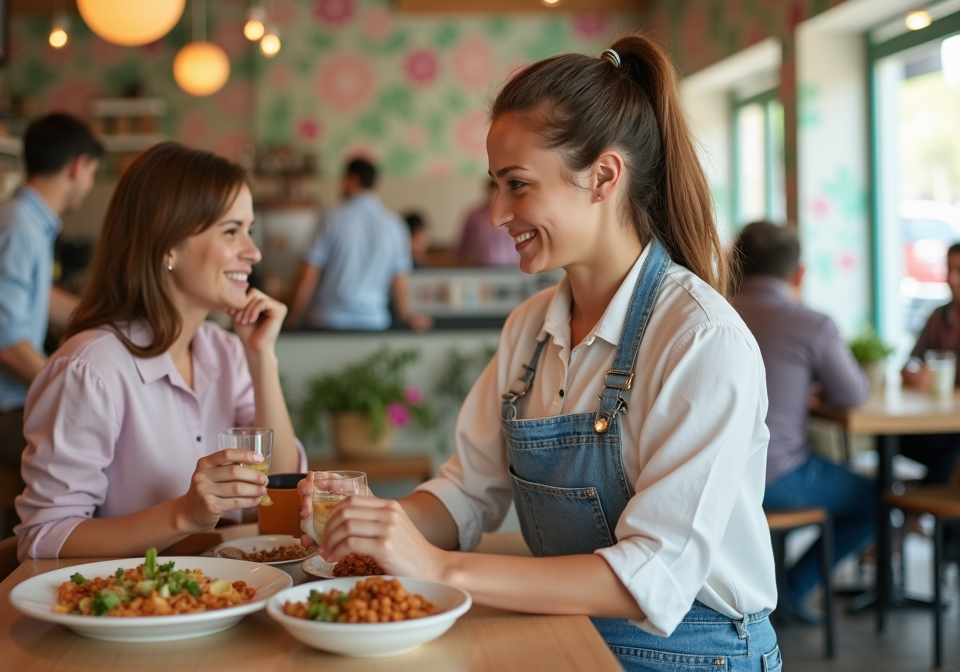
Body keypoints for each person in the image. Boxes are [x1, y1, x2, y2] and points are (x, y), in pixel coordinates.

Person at [298, 37, 780, 671]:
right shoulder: (530, 328)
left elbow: (650, 574)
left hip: (691, 653)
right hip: (564, 630)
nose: (498, 214)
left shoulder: (700, 340)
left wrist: (438, 566)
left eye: (517, 186)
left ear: (604, 177)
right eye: (496, 186)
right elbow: (467, 494)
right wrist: (376, 523)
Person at [15, 143, 304, 560]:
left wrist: (263, 359)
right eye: (230, 231)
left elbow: (279, 487)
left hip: (221, 592)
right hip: (130, 610)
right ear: (168, 246)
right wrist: (185, 515)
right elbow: (42, 540)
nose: (253, 252)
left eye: (250, 229)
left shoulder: (224, 350)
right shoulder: (90, 368)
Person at [732, 221, 876, 620]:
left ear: (735, 265)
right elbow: (853, 394)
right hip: (779, 476)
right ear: (799, 274)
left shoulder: (709, 311)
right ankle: (791, 589)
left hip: (714, 475)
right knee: (876, 499)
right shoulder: (811, 324)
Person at [0, 113, 101, 466]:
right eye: (92, 173)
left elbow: (40, 299)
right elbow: (7, 345)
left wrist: (110, 318)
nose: (90, 185)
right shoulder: (16, 230)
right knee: (99, 443)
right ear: (77, 167)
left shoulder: (22, 221)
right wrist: (70, 388)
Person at [287, 158, 431, 331]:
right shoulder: (395, 226)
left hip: (328, 321)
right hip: (374, 322)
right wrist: (407, 315)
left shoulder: (329, 218)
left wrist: (292, 316)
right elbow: (400, 280)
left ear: (351, 180)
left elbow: (308, 275)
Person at [899, 241, 960, 485]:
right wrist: (911, 372)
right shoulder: (938, 316)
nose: (953, 279)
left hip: (953, 428)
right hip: (937, 421)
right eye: (949, 270)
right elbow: (911, 361)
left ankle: (920, 512)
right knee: (895, 439)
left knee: (953, 450)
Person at [455, 178, 521, 266]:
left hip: (512, 268)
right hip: (482, 269)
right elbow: (462, 246)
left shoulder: (514, 214)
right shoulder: (475, 216)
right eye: (494, 194)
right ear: (488, 192)